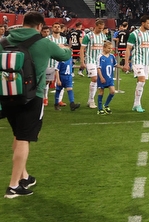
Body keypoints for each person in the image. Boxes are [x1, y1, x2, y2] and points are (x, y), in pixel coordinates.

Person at [2, 11, 73, 198]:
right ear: (40, 26)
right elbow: (65, 55)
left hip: (7, 95)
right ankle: (14, 186)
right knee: (24, 138)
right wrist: (65, 47)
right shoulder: (43, 43)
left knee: (18, 135)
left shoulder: (4, 41)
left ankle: (24, 175)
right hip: (32, 96)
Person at [124, 14, 149, 113]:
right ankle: (138, 103)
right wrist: (127, 63)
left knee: (140, 82)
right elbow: (128, 49)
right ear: (143, 23)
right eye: (148, 23)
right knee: (142, 80)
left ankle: (135, 104)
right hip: (137, 61)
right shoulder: (134, 34)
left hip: (146, 62)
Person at [81, 19, 110, 109]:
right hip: (91, 60)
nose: (101, 30)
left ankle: (90, 99)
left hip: (100, 61)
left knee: (98, 81)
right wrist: (82, 61)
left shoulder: (103, 36)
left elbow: (105, 48)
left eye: (102, 28)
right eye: (99, 28)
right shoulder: (88, 36)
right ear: (96, 26)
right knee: (94, 78)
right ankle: (91, 100)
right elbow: (82, 49)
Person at [44, 23, 69, 107]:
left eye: (58, 27)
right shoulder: (48, 39)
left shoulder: (64, 39)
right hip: (49, 63)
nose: (57, 28)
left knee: (60, 82)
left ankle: (59, 100)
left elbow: (66, 49)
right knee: (46, 82)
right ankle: (45, 98)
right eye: (55, 27)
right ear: (52, 28)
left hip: (60, 64)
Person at [96, 41, 117, 115]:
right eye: (108, 48)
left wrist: (122, 67)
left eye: (111, 48)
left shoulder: (112, 56)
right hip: (102, 77)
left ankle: (106, 105)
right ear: (104, 48)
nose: (110, 49)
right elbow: (98, 68)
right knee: (101, 92)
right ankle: (100, 109)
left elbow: (115, 64)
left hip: (110, 77)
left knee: (112, 91)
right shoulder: (100, 57)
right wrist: (101, 77)